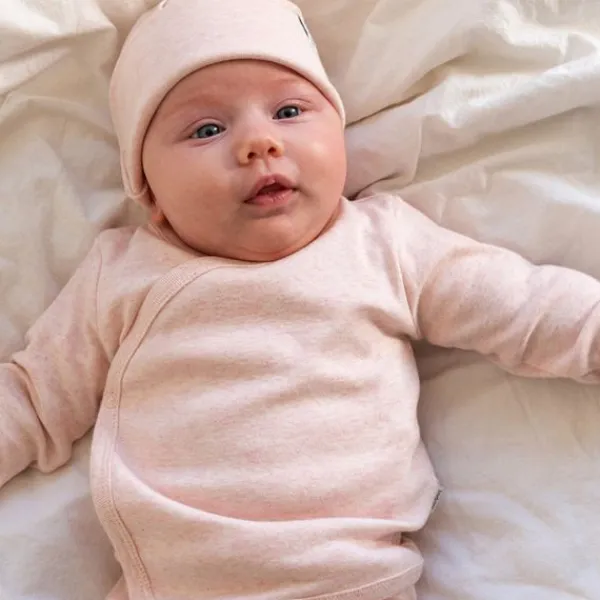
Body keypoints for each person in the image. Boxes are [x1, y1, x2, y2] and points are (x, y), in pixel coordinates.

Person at [1, 0, 599, 598]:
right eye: (207, 130)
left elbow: (524, 307)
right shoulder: (123, 273)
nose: (258, 142)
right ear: (150, 191)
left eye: (288, 111)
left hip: (357, 581)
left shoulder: (383, 244)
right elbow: (34, 397)